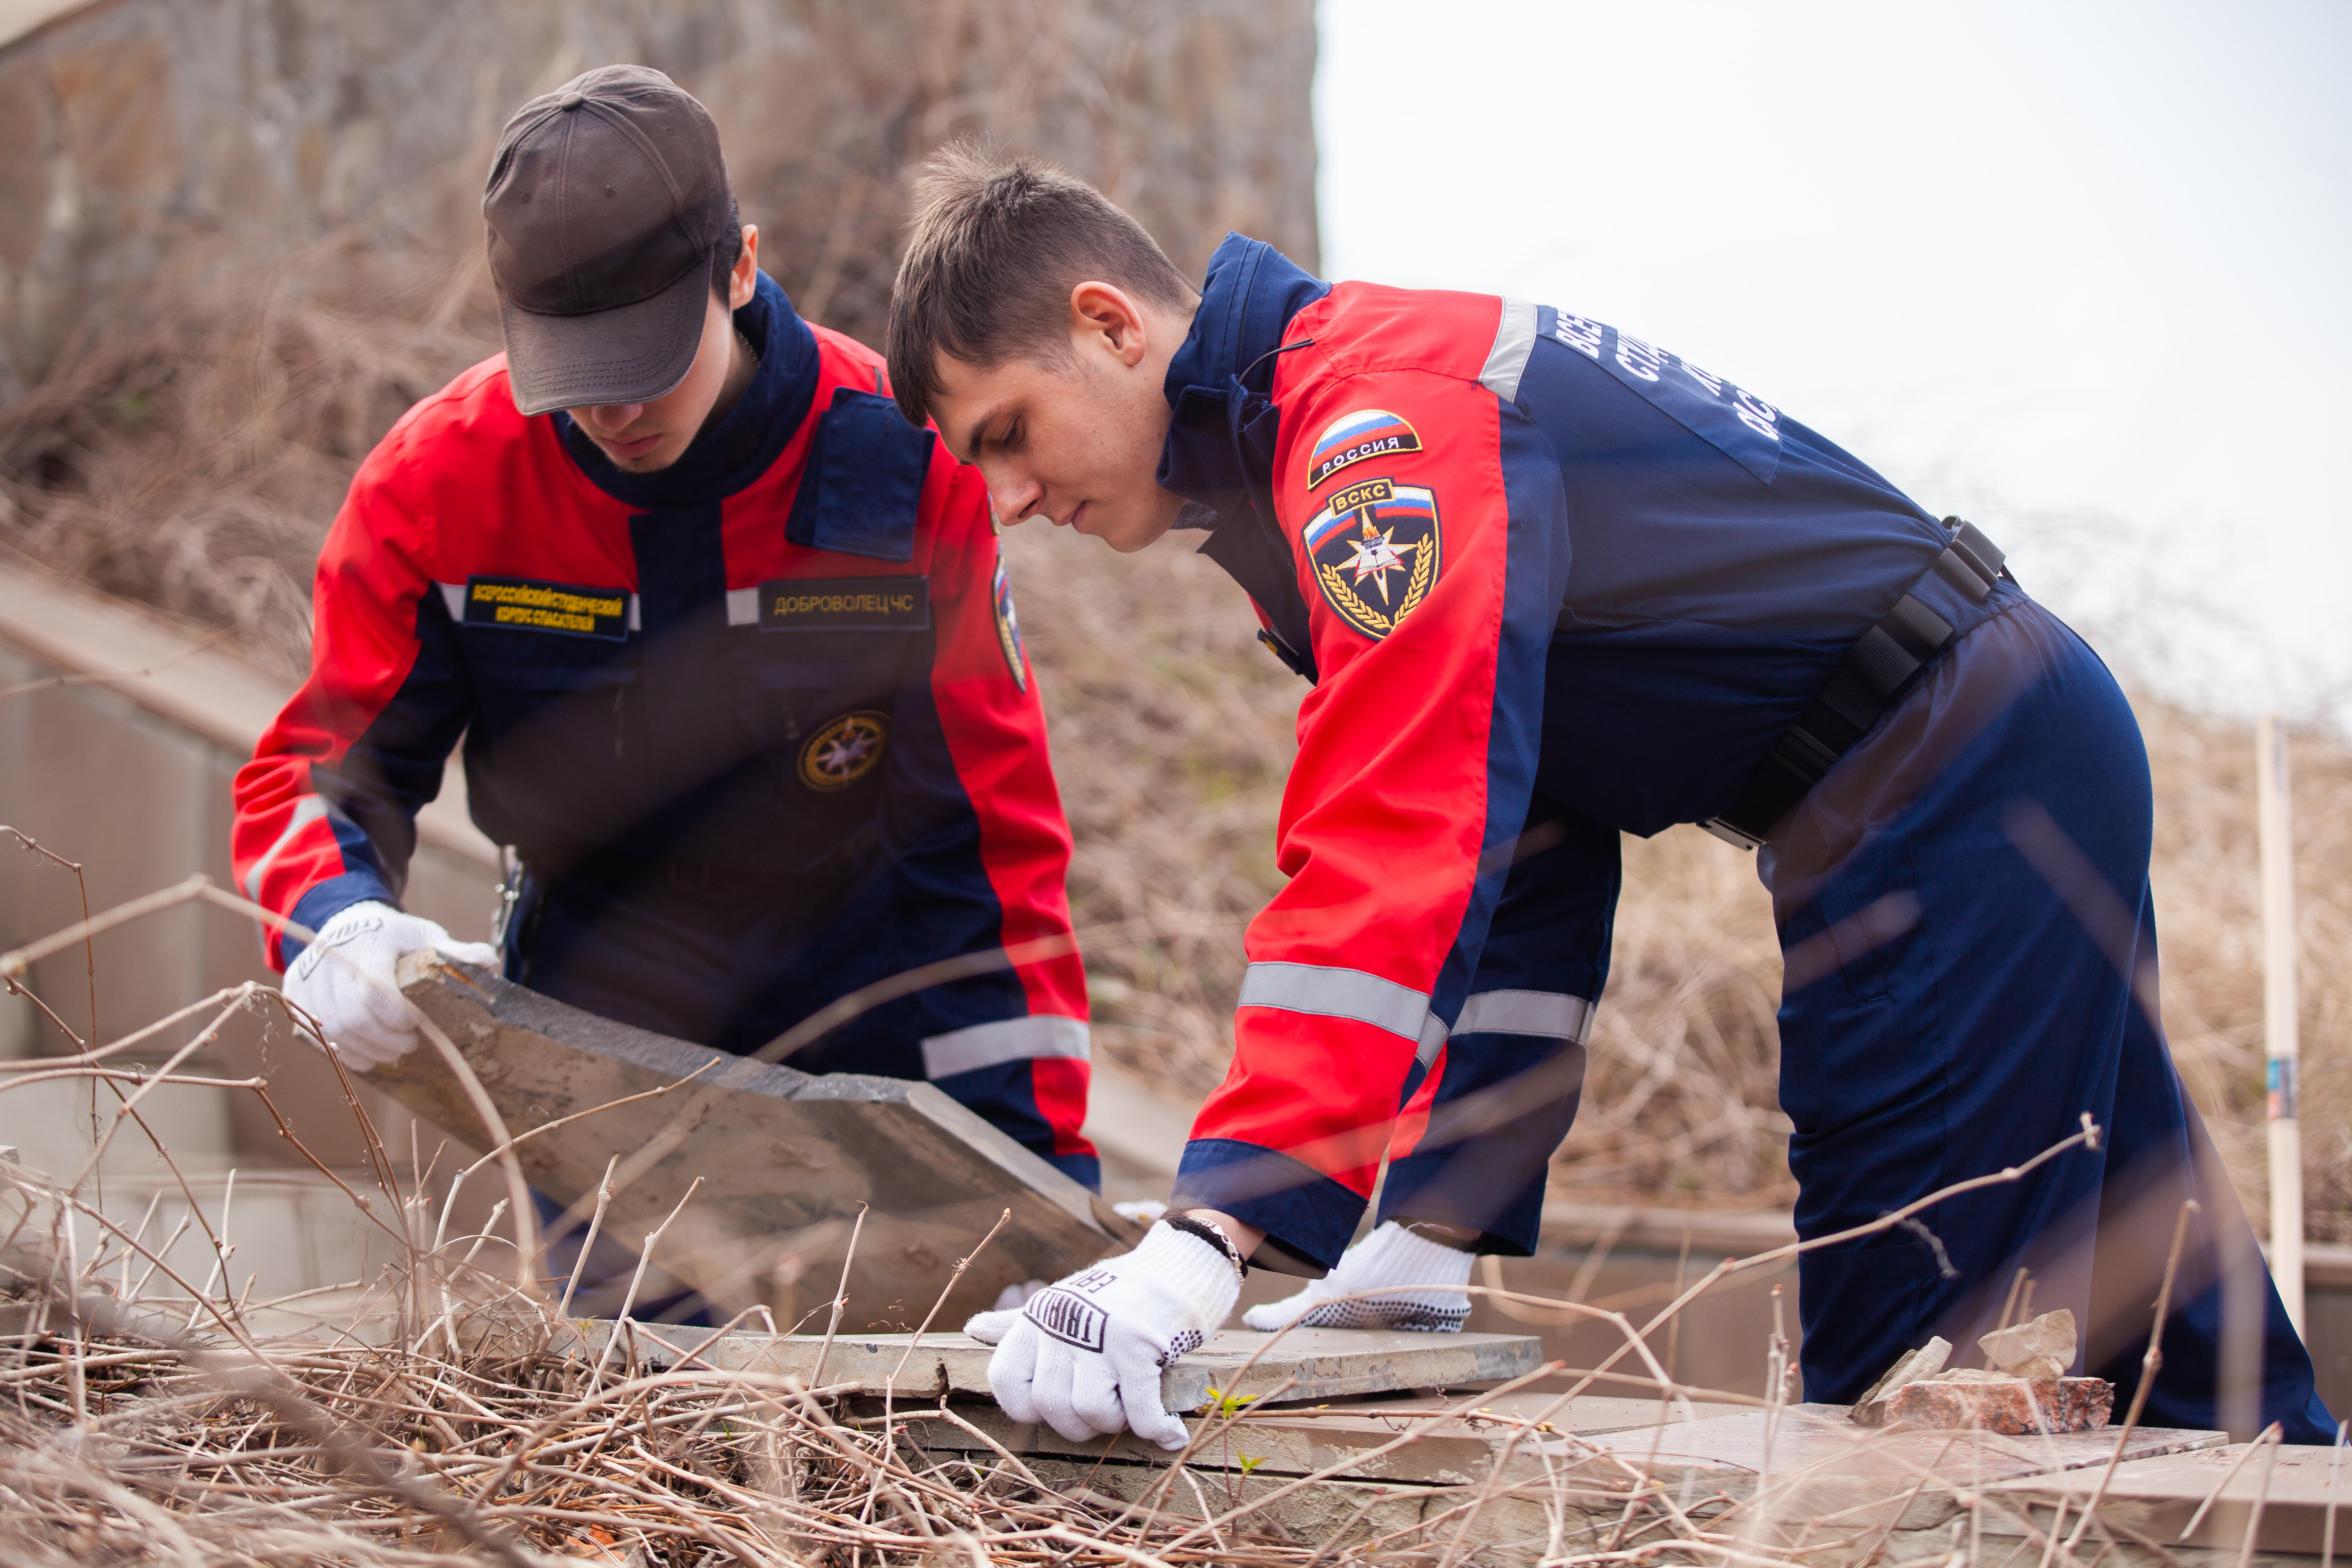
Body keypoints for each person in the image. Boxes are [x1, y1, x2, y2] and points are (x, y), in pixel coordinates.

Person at [882, 147, 2334, 1449]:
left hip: (1947, 770)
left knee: (1914, 1399)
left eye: (1006, 433)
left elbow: (1397, 840)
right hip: (1975, 748)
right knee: (2170, 1321)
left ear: (1110, 325)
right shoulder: (1295, 469)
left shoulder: (1372, 433)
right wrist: (1433, 1226)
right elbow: (1525, 850)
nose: (1007, 501)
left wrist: (1213, 1233)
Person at [232, 70, 1097, 1198]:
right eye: (573, 375)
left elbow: (988, 849)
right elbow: (324, 774)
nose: (613, 414)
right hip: (601, 1054)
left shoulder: (899, 460)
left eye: (642, 363)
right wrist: (334, 924)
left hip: (873, 1037)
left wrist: (1034, 1185)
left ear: (737, 266)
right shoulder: (437, 488)